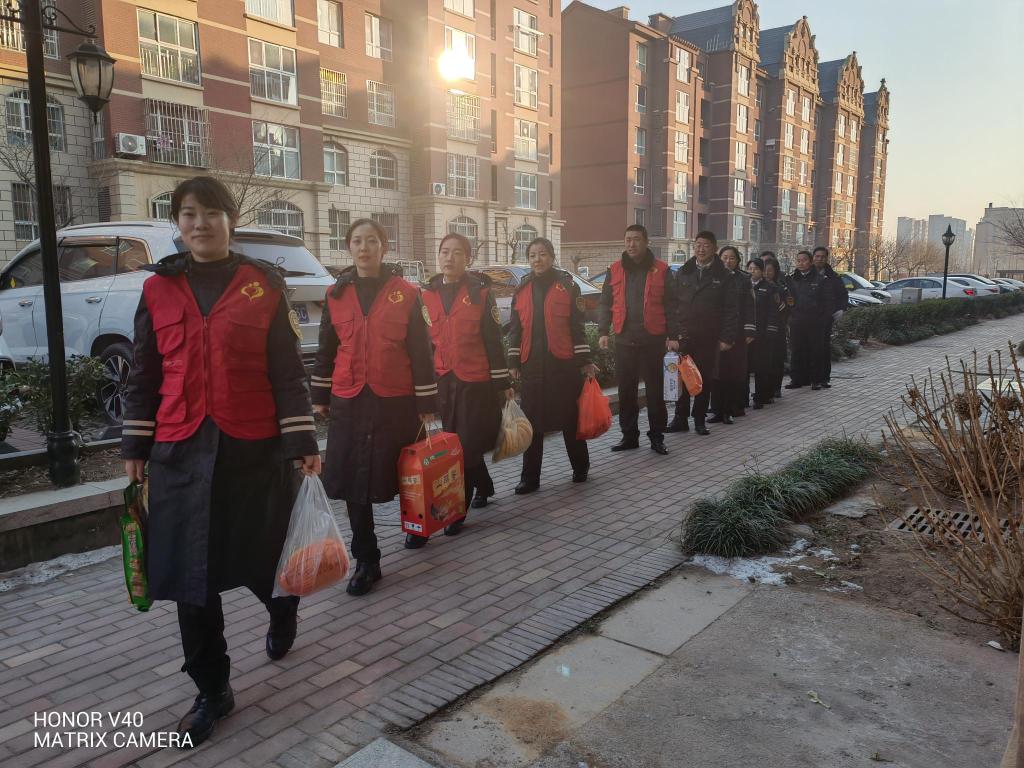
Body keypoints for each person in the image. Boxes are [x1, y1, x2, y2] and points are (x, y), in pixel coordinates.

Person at [121, 176, 320, 748]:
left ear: (229, 220)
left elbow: (287, 371)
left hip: (252, 449)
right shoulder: (157, 289)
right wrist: (135, 447)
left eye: (211, 212)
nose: (200, 223)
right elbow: (144, 374)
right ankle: (213, 689)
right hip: (179, 451)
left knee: (264, 559)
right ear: (177, 224)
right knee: (191, 578)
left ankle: (282, 608)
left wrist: (302, 442)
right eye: (188, 213)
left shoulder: (263, 285)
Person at [312, 219, 436, 594]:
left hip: (395, 400)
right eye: (357, 241)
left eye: (371, 241)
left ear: (384, 246)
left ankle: (418, 525)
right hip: (349, 399)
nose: (364, 248)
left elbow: (421, 350)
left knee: (404, 471)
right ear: (348, 247)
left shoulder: (407, 293)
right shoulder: (335, 293)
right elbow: (326, 348)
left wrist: (426, 401)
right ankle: (367, 559)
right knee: (353, 481)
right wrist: (320, 397)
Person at [419, 233, 513, 539]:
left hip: (475, 382)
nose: (450, 257)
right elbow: (424, 345)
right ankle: (484, 485)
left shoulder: (481, 293)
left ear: (467, 259)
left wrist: (503, 383)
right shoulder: (426, 295)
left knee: (467, 445)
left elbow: (493, 341)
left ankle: (457, 509)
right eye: (445, 251)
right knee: (455, 443)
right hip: (444, 381)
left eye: (457, 252)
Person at [507, 237, 596, 494]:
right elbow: (515, 330)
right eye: (532, 255)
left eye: (542, 254)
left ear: (552, 256)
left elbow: (577, 327)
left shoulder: (568, 286)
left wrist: (585, 361)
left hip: (563, 364)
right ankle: (529, 478)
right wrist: (513, 362)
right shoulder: (521, 290)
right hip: (532, 366)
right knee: (531, 424)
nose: (538, 259)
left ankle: (580, 467)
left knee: (570, 419)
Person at [597, 224, 678, 455]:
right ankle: (629, 436)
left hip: (652, 340)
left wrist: (673, 336)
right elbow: (605, 302)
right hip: (624, 340)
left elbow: (672, 305)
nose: (631, 244)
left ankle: (657, 437)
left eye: (636, 239)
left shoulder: (662, 270)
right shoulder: (614, 269)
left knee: (655, 392)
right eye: (628, 240)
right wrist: (603, 331)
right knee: (626, 391)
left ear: (646, 242)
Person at [666, 231, 739, 436]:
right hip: (684, 335)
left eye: (705, 245)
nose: (701, 249)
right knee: (681, 377)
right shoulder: (684, 272)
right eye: (698, 244)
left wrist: (727, 337)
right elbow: (672, 304)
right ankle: (680, 418)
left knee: (703, 378)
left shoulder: (724, 276)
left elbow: (731, 309)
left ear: (714, 248)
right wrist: (672, 334)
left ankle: (699, 419)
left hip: (709, 335)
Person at [709, 246, 755, 424]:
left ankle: (731, 409)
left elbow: (750, 306)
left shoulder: (744, 279)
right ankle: (717, 410)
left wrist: (749, 330)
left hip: (737, 332)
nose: (728, 261)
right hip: (716, 331)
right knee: (716, 371)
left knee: (733, 371)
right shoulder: (713, 277)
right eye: (724, 258)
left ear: (738, 261)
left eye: (732, 258)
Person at [786, 250, 827, 391]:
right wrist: (791, 316)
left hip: (815, 321)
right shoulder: (791, 279)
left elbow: (826, 302)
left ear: (810, 262)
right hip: (797, 321)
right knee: (796, 350)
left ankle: (816, 380)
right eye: (798, 261)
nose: (801, 263)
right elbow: (788, 299)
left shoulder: (820, 279)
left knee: (815, 351)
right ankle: (796, 379)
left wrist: (822, 318)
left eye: (804, 260)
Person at [746, 257, 781, 409]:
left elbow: (774, 312)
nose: (752, 271)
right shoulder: (743, 285)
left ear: (762, 271)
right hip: (747, 333)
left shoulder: (770, 287)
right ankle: (742, 398)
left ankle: (761, 396)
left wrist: (771, 332)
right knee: (745, 367)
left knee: (761, 366)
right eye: (750, 269)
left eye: (756, 269)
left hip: (763, 333)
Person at [812, 246, 847, 389]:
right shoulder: (806, 274)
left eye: (822, 257)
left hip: (825, 317)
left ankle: (823, 378)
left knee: (822, 348)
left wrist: (841, 309)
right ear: (813, 257)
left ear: (826, 258)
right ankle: (804, 377)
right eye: (817, 256)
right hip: (807, 317)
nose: (819, 259)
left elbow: (842, 295)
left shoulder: (833, 277)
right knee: (806, 348)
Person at [762, 253, 791, 400]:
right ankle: (764, 389)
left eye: (770, 270)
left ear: (776, 272)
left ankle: (776, 387)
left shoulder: (780, 288)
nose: (767, 273)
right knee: (764, 361)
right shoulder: (757, 286)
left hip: (777, 329)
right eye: (764, 270)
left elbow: (786, 307)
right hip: (762, 329)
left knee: (776, 359)